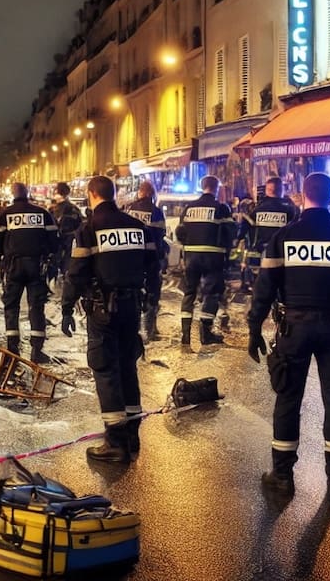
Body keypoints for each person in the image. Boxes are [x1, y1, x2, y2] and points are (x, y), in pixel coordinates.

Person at [246, 172, 330, 505]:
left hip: (293, 330)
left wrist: (254, 329)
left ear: (301, 197)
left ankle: (282, 477)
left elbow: (263, 291)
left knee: (288, 400)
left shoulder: (282, 238)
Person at [61, 175, 153, 462]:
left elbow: (76, 273)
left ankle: (115, 442)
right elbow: (153, 266)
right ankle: (132, 436)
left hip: (103, 310)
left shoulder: (89, 229)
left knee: (105, 369)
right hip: (131, 307)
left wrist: (66, 308)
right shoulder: (138, 227)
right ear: (112, 194)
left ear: (91, 194)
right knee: (128, 367)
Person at [0, 182, 58, 363]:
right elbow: (54, 242)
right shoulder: (43, 213)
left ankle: (13, 350)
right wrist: (52, 265)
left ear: (12, 195)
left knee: (11, 307)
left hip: (13, 266)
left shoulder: (4, 214)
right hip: (37, 266)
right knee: (36, 306)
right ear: (27, 194)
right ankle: (37, 350)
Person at [175, 175, 235, 348]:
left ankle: (185, 335)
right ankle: (206, 333)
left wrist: (187, 247)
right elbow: (230, 231)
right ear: (216, 188)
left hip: (191, 257)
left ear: (202, 187)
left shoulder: (189, 208)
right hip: (213, 257)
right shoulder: (221, 208)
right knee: (211, 293)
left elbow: (180, 232)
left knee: (189, 293)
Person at [123, 180, 168, 341]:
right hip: (150, 258)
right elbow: (161, 236)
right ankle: (149, 330)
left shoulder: (128, 209)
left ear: (140, 193)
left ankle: (131, 329)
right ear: (151, 194)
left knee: (131, 291)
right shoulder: (156, 212)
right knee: (152, 291)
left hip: (130, 258)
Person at [247, 177, 298, 299]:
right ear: (281, 190)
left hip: (259, 256)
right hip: (281, 256)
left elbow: (247, 231)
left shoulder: (256, 210)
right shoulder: (289, 211)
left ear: (266, 190)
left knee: (260, 288)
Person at [48, 182, 83, 287]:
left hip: (57, 240)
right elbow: (80, 225)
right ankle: (65, 280)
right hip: (70, 240)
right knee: (67, 263)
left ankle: (54, 282)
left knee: (55, 262)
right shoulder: (74, 209)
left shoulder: (52, 209)